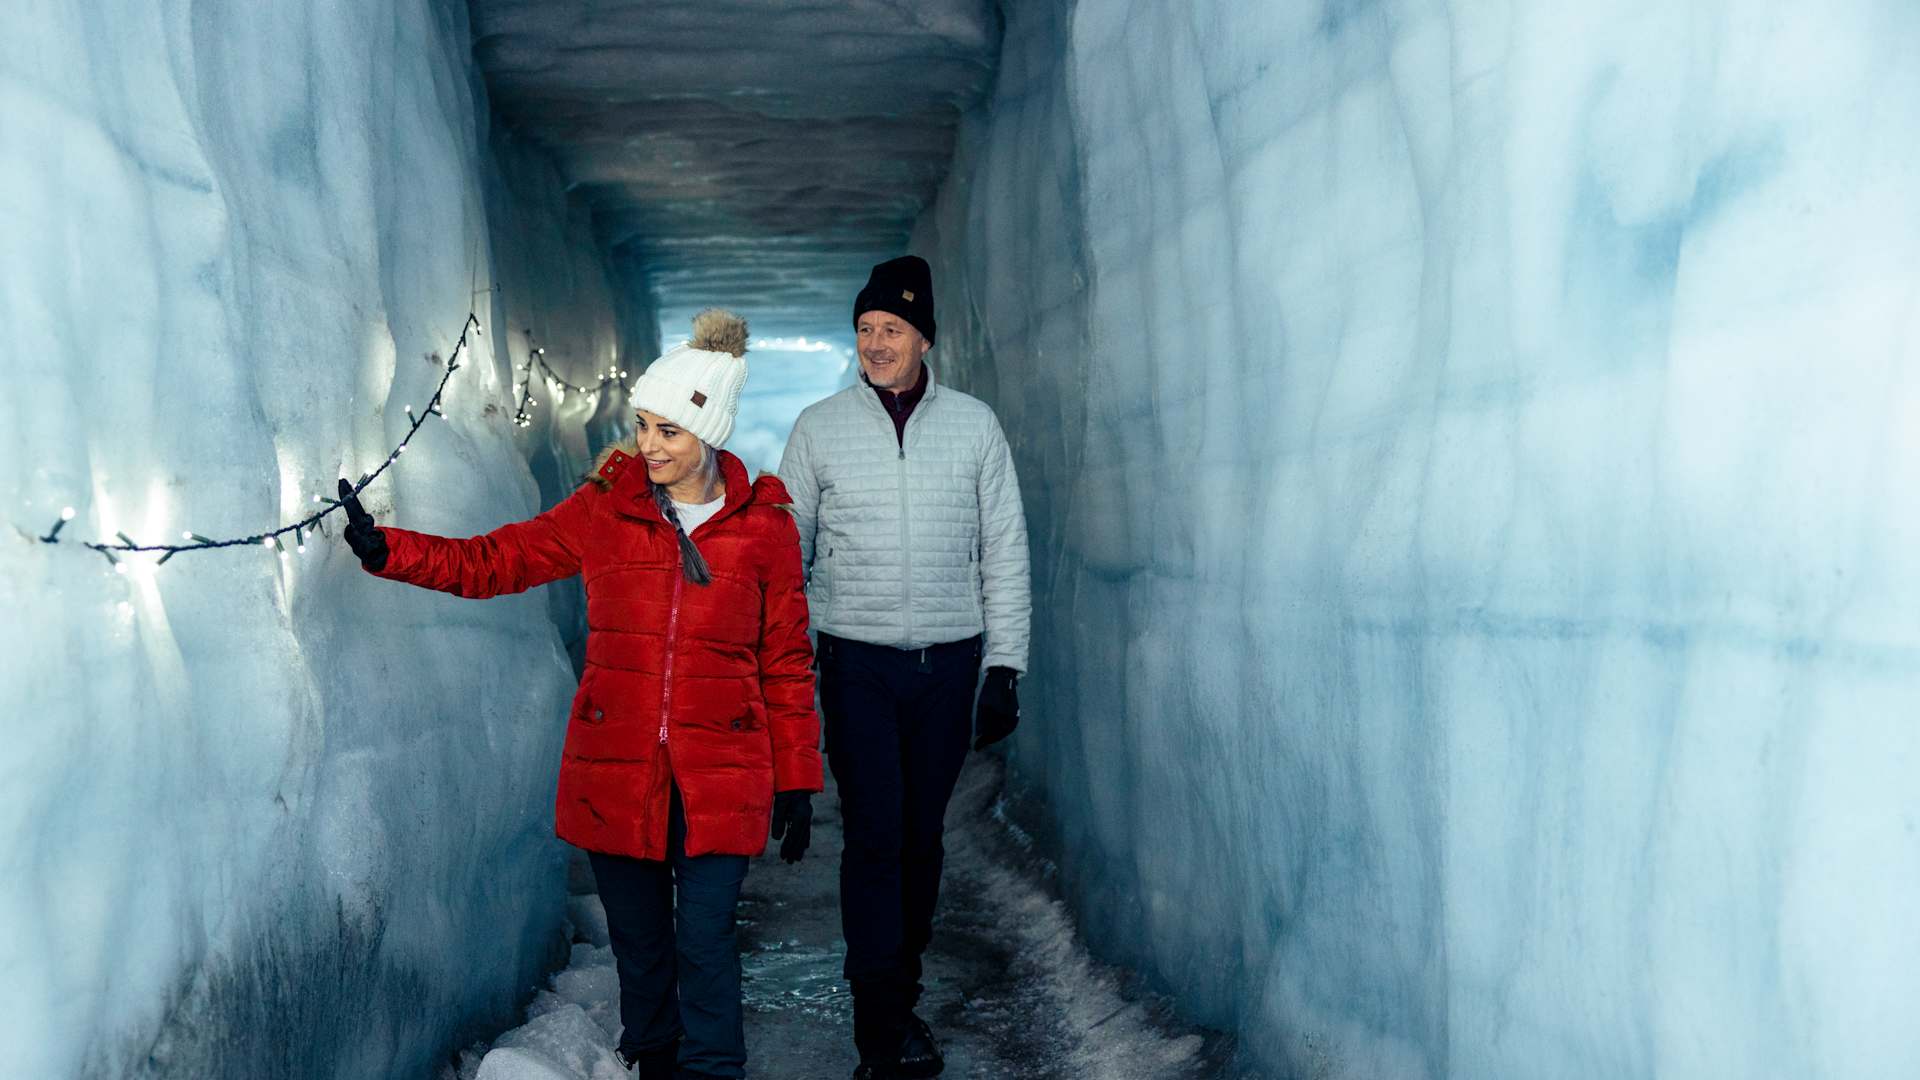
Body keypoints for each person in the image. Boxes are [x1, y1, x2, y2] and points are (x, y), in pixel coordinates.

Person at [340, 310, 822, 1080]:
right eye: (642, 426)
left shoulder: (764, 529)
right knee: (640, 943)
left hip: (721, 771)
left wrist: (798, 778)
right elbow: (501, 560)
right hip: (617, 765)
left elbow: (787, 660)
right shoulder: (607, 507)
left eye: (669, 431)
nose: (650, 446)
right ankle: (656, 1061)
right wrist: (389, 549)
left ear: (712, 432)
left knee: (704, 939)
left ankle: (713, 1071)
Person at [778, 255, 1032, 1079]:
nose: (875, 344)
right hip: (855, 662)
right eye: (864, 329)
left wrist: (1004, 667)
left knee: (921, 840)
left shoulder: (974, 426)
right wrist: (788, 655)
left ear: (924, 338)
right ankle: (878, 1026)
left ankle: (900, 990)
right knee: (876, 837)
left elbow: (1005, 551)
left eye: (891, 329)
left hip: (948, 666)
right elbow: (786, 551)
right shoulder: (820, 427)